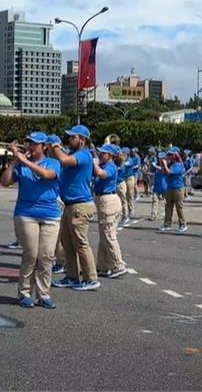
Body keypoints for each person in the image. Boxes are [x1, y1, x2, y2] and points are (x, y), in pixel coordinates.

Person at [0, 132, 61, 308]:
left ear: (44, 147)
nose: (30, 147)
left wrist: (25, 161)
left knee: (46, 256)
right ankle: (24, 292)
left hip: (50, 214)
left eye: (35, 144)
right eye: (29, 143)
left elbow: (47, 175)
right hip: (26, 213)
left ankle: (43, 294)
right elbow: (5, 182)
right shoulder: (21, 164)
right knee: (31, 255)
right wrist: (14, 162)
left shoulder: (53, 163)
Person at [49, 125, 100, 292]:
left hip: (80, 205)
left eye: (72, 137)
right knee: (67, 243)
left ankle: (91, 278)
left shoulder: (84, 155)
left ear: (82, 140)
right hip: (70, 204)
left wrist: (56, 146)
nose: (69, 140)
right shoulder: (73, 154)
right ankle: (72, 276)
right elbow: (58, 159)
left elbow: (63, 160)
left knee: (80, 243)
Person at [94, 144, 128, 279]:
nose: (100, 155)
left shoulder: (111, 166)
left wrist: (94, 164)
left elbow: (101, 175)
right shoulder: (105, 165)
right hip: (103, 199)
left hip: (108, 200)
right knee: (103, 235)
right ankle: (103, 266)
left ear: (111, 156)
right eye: (100, 153)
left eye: (103, 153)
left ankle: (118, 264)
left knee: (108, 234)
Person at [159, 148, 187, 232]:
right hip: (169, 187)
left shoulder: (178, 165)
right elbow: (163, 172)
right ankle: (167, 224)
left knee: (179, 207)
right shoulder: (171, 164)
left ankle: (182, 224)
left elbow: (169, 173)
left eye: (170, 155)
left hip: (178, 188)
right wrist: (162, 165)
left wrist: (166, 165)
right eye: (168, 155)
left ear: (175, 155)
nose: (168, 156)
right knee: (168, 207)